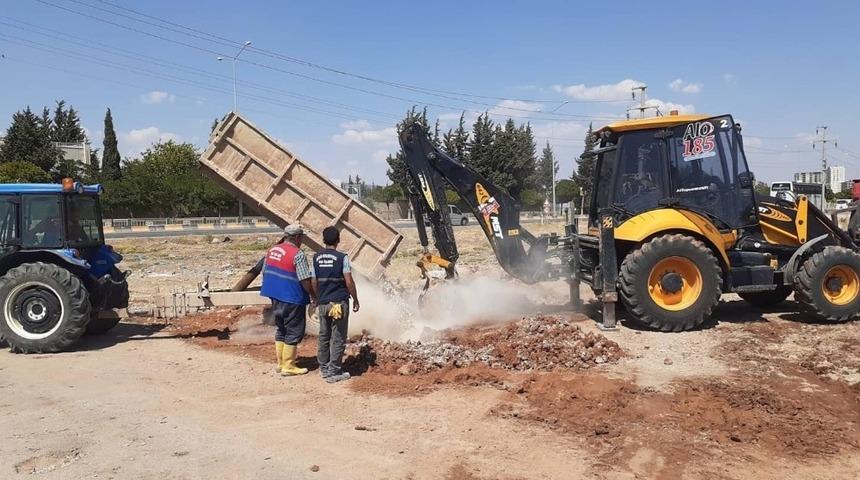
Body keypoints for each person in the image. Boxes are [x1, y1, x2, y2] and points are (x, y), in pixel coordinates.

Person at [260, 224, 317, 376]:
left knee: (281, 328)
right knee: (294, 330)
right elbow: (305, 279)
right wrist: (313, 295)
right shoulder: (298, 254)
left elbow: (264, 271)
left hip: (275, 294)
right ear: (297, 237)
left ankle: (281, 363)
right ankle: (289, 366)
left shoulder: (272, 250)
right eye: (301, 238)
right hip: (292, 297)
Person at [312, 226, 360, 383]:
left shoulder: (316, 258)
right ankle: (334, 372)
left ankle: (324, 368)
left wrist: (317, 297)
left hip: (323, 303)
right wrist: (356, 299)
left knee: (324, 336)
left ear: (324, 240)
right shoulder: (342, 258)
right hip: (338, 303)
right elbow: (349, 281)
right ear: (338, 240)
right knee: (338, 337)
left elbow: (314, 280)